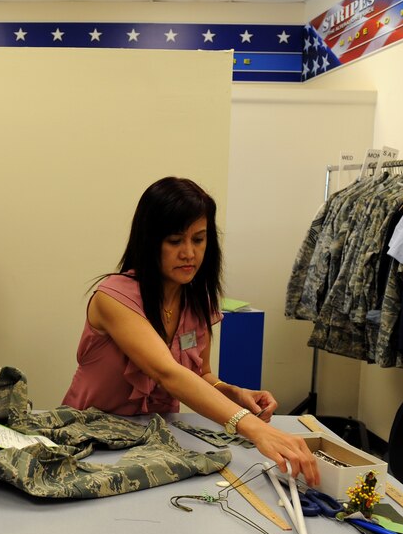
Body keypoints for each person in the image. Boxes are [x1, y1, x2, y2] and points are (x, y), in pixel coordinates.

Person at [61, 177, 319, 485]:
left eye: (198, 240)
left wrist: (232, 392)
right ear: (150, 241)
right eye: (175, 241)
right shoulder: (113, 297)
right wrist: (254, 428)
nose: (189, 253)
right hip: (87, 443)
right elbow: (167, 372)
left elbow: (200, 376)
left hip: (153, 446)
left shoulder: (198, 299)